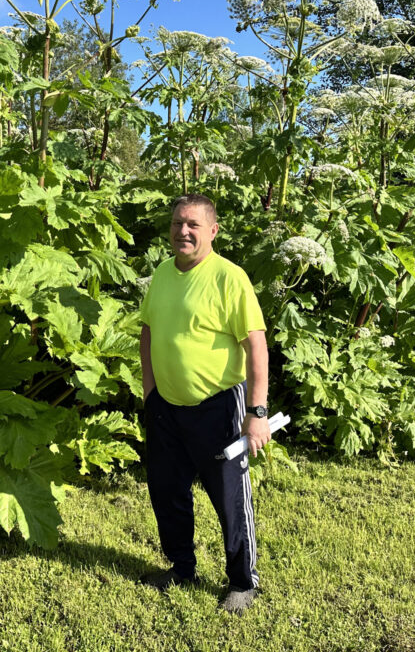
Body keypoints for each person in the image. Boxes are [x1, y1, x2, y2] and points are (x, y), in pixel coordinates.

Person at [138, 193, 270, 615]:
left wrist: (257, 414)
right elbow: (147, 331)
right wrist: (149, 390)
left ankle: (242, 581)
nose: (183, 231)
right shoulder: (161, 274)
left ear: (212, 230)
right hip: (166, 407)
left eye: (193, 224)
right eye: (178, 223)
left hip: (217, 408)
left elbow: (256, 348)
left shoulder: (229, 278)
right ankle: (181, 567)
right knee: (167, 490)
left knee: (229, 496)